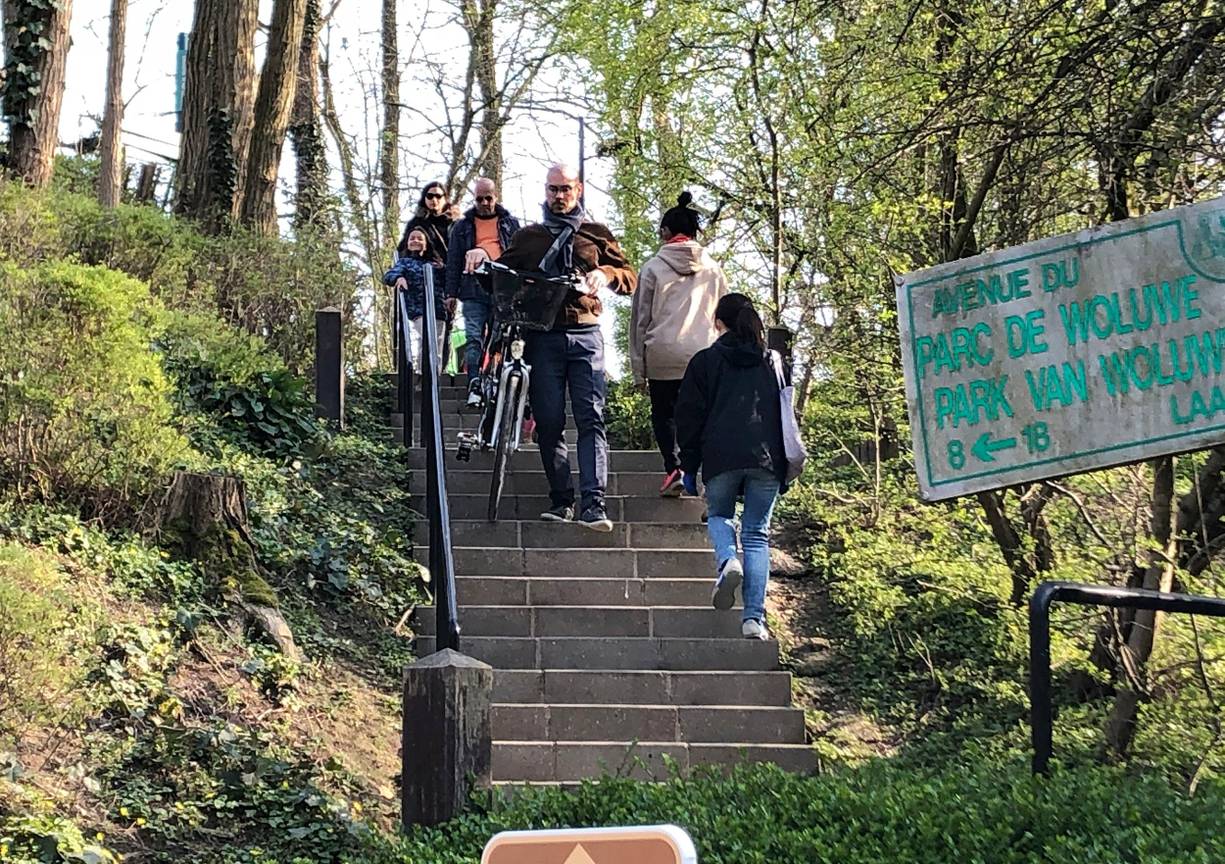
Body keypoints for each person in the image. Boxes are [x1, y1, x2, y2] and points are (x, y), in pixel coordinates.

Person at [470, 163, 636, 532]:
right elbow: (499, 280)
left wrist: (605, 274)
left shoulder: (596, 234)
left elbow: (629, 277)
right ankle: (561, 500)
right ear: (544, 191)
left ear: (577, 190)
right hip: (542, 338)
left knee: (591, 416)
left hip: (586, 336)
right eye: (552, 189)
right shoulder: (528, 238)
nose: (558, 196)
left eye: (564, 189)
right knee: (548, 421)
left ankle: (594, 504)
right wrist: (480, 260)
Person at [675, 293, 786, 640]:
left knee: (720, 515)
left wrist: (688, 467)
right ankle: (754, 619)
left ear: (718, 323)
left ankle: (727, 560)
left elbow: (688, 419)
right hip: (766, 457)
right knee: (756, 535)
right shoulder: (773, 361)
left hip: (721, 455)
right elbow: (785, 412)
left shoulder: (705, 362)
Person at [629, 191, 728, 497]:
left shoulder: (652, 268)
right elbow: (725, 315)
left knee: (665, 413)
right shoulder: (713, 269)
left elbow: (640, 321)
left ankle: (674, 468)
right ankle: (697, 472)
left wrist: (638, 369)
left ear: (666, 232)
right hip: (705, 354)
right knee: (704, 416)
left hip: (663, 353)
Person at [445, 177, 522, 406]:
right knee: (473, 338)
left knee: (500, 338)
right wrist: (450, 294)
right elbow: (454, 260)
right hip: (472, 289)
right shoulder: (463, 227)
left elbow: (519, 256)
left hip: (503, 288)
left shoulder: (510, 224)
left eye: (488, 198)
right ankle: (475, 382)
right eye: (480, 199)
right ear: (474, 199)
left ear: (495, 197)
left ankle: (496, 379)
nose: (485, 203)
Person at [384, 227, 451, 369]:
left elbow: (449, 282)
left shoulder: (436, 265)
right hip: (418, 309)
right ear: (407, 243)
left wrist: (450, 297)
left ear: (426, 244)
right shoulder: (404, 262)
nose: (415, 241)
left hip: (438, 309)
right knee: (425, 339)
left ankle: (435, 376)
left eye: (419, 238)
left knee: (437, 343)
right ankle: (421, 373)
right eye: (412, 238)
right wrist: (399, 278)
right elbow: (389, 275)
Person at [396, 181, 454, 265]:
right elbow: (403, 249)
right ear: (424, 198)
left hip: (452, 270)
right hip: (423, 270)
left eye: (438, 196)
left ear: (445, 198)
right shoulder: (416, 222)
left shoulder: (455, 222)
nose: (434, 200)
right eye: (430, 196)